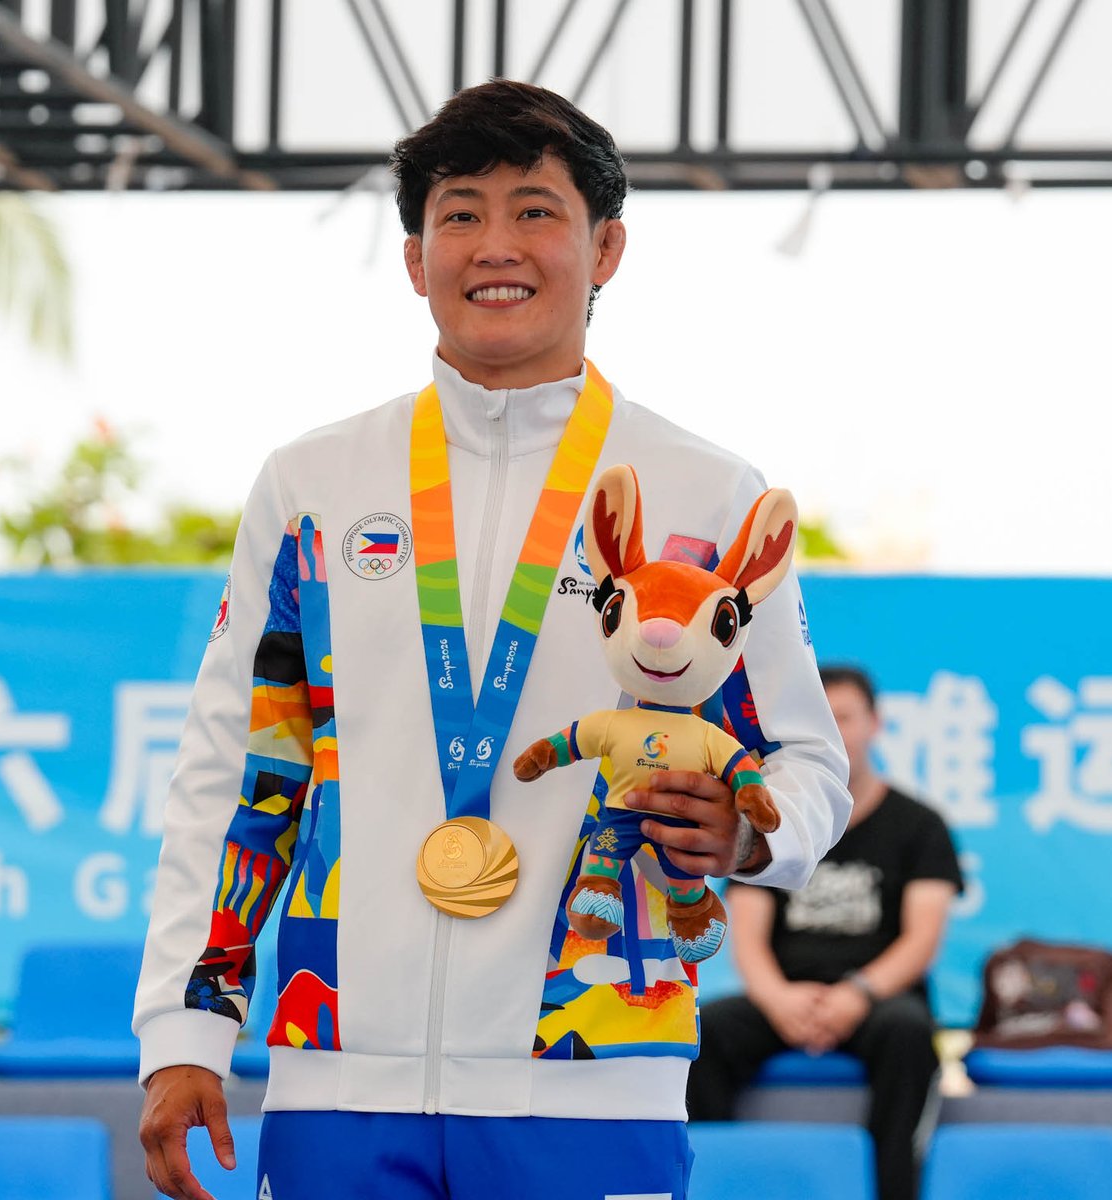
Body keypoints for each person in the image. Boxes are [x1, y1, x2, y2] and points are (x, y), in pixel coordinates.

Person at [134, 79, 851, 1200]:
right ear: (415, 257)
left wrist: (747, 838)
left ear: (605, 247)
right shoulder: (313, 486)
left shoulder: (707, 495)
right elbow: (238, 769)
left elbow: (807, 764)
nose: (494, 245)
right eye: (459, 213)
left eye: (535, 210)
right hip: (339, 1084)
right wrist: (185, 1028)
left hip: (594, 1080)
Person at [687, 664, 963, 1200]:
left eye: (846, 718)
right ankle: (714, 1186)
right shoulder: (775, 819)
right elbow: (748, 934)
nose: (837, 733)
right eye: (824, 720)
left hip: (878, 1000)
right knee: (707, 1033)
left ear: (875, 725)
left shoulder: (920, 825)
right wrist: (778, 999)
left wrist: (856, 995)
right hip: (786, 994)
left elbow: (920, 942)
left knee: (909, 1035)